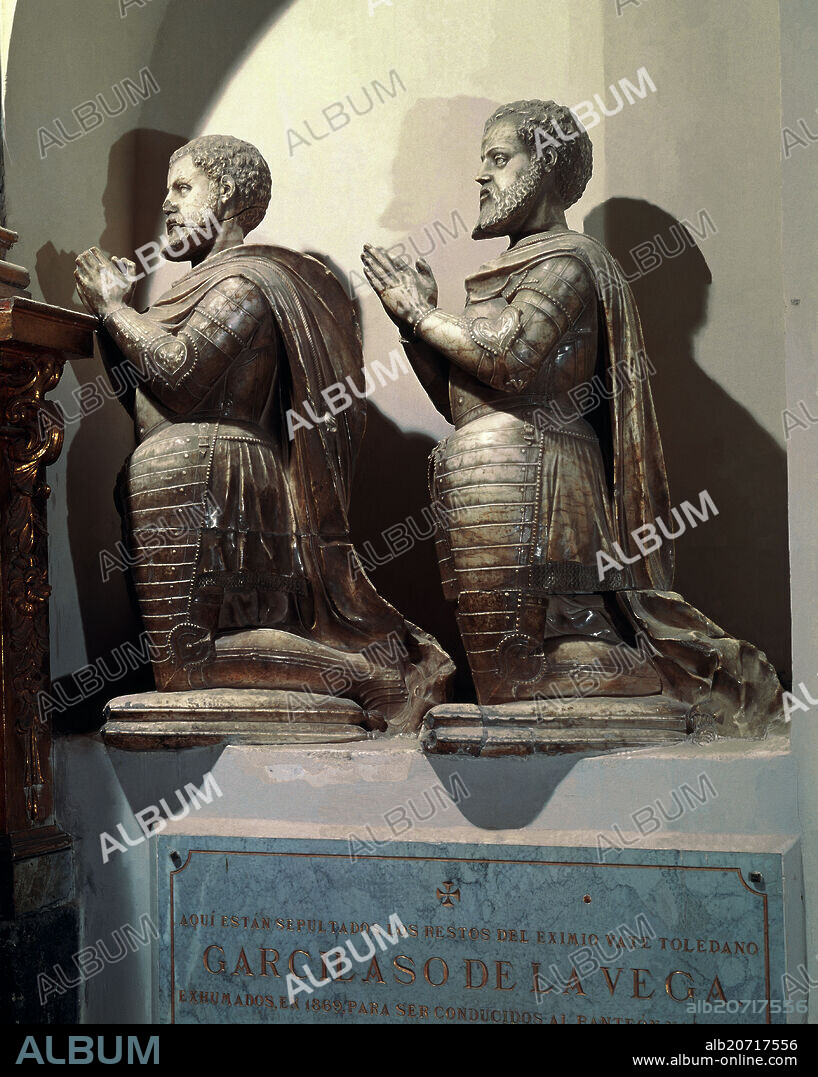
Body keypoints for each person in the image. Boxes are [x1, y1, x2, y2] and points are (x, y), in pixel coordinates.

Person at [362, 101, 781, 735]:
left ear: (544, 166)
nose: (482, 176)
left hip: (545, 471)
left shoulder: (567, 263)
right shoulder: (512, 271)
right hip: (493, 469)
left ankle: (664, 678)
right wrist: (412, 326)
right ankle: (642, 681)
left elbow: (508, 360)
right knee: (503, 675)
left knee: (528, 664)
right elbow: (464, 402)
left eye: (499, 158)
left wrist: (423, 316)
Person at [75, 134, 453, 733]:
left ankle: (372, 681)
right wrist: (115, 321)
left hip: (215, 472)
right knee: (185, 660)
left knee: (188, 662)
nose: (167, 204)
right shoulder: (202, 287)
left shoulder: (243, 284)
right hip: (184, 467)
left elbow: (181, 376)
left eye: (183, 188)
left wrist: (115, 310)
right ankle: (364, 680)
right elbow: (148, 402)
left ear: (226, 194)